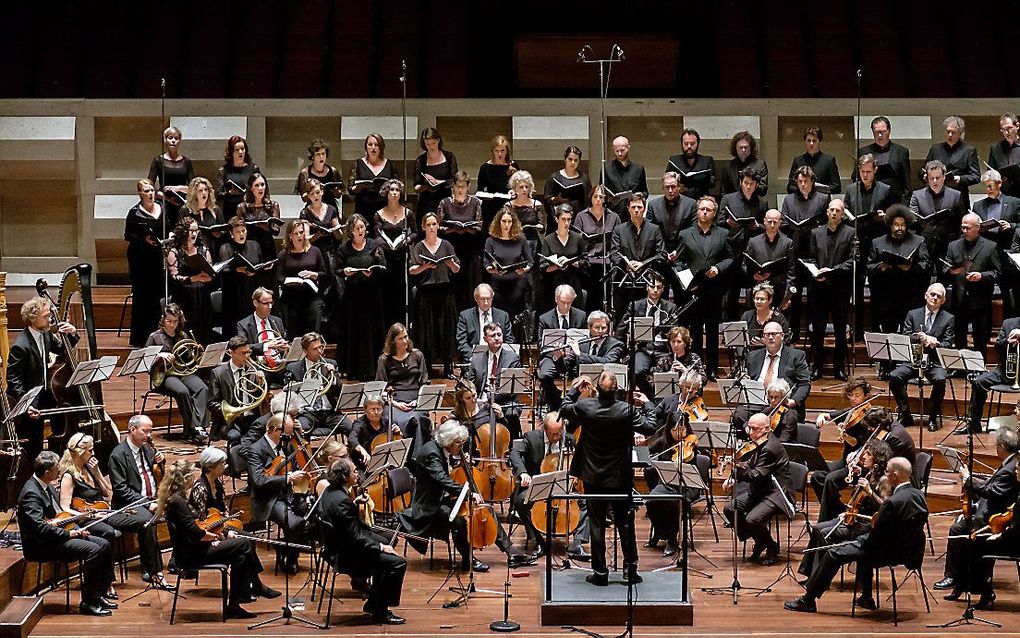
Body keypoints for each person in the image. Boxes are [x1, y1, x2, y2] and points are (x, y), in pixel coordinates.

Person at [785, 457, 927, 614]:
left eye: (887, 471)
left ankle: (808, 600)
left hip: (885, 553)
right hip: (907, 551)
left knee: (834, 553)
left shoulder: (891, 503)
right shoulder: (918, 495)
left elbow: (875, 538)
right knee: (858, 547)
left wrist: (858, 540)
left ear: (894, 475)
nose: (885, 474)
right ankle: (866, 597)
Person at [398, 420, 535, 572]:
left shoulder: (442, 448)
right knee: (460, 521)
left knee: (486, 510)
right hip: (429, 506)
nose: (461, 447)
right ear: (448, 441)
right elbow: (442, 479)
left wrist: (461, 463)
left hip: (442, 498)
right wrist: (469, 494)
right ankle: (468, 559)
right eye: (458, 443)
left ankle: (511, 552)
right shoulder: (431, 453)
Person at [560, 372, 656, 586]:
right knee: (625, 523)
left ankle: (600, 573)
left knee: (596, 525)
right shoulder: (626, 410)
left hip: (593, 476)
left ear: (598, 388)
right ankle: (630, 571)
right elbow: (650, 427)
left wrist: (575, 389)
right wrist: (648, 404)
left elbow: (565, 408)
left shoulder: (586, 407)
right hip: (619, 476)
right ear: (616, 390)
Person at [156, 459, 261, 619]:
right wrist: (215, 536)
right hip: (191, 554)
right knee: (244, 542)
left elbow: (195, 530)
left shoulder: (177, 498)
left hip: (195, 547)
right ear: (185, 478)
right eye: (192, 475)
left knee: (241, 556)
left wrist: (214, 536)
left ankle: (234, 604)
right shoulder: (178, 502)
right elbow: (195, 533)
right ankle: (254, 587)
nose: (194, 478)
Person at [58, 432, 157, 601]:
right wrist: (88, 514)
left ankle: (154, 570)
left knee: (143, 521)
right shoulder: (69, 476)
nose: (93, 453)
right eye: (90, 450)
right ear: (81, 452)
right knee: (108, 533)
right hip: (85, 518)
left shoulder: (89, 468)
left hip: (103, 512)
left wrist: (97, 473)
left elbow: (106, 493)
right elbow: (64, 507)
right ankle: (107, 581)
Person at [18, 451, 116, 616]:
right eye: (57, 468)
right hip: (42, 545)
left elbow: (60, 516)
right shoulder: (31, 494)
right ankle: (87, 603)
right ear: (47, 472)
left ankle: (97, 595)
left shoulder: (46, 485)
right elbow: (40, 528)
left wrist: (77, 529)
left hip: (58, 535)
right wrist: (70, 535)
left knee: (104, 543)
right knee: (94, 549)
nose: (60, 471)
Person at [935, 427, 1020, 602]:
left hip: (993, 519)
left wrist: (968, 479)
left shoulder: (1011, 468)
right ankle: (956, 580)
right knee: (957, 529)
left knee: (966, 538)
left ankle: (971, 585)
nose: (995, 447)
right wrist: (969, 478)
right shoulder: (1009, 463)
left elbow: (992, 491)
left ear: (1002, 446)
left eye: (997, 444)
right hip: (987, 514)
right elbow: (989, 484)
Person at [319, 458, 407, 625]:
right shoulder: (341, 501)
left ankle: (374, 603)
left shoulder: (331, 492)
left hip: (339, 546)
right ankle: (381, 610)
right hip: (348, 555)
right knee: (397, 563)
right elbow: (354, 539)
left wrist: (353, 504)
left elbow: (343, 523)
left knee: (386, 540)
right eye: (353, 471)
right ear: (345, 476)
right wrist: (381, 547)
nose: (357, 474)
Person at [188, 447, 280, 600]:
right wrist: (224, 533)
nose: (225, 466)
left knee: (249, 539)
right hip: (208, 534)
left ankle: (250, 588)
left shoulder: (217, 484)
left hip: (221, 525)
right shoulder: (200, 488)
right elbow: (202, 520)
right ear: (210, 467)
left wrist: (227, 527)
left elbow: (223, 511)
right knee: (246, 542)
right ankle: (255, 585)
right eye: (221, 464)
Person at [798, 439, 892, 581]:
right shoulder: (869, 473)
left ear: (877, 459)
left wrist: (869, 491)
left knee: (825, 534)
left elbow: (885, 506)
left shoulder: (884, 480)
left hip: (866, 526)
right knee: (817, 529)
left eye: (868, 454)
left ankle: (820, 579)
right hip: (854, 518)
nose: (863, 456)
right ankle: (810, 573)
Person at [5, 296, 79, 460]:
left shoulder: (45, 334)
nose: (50, 319)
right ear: (32, 319)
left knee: (63, 412)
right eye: (46, 316)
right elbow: (13, 380)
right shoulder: (21, 346)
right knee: (34, 442)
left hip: (44, 392)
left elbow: (61, 349)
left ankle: (60, 455)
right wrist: (27, 406)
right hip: (28, 398)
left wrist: (72, 333)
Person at [814, 406, 916, 523]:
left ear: (878, 424)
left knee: (831, 479)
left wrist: (861, 468)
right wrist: (857, 454)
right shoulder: (886, 427)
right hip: (875, 468)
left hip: (892, 474)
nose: (869, 430)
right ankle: (837, 513)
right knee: (821, 477)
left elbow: (882, 464)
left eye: (870, 427)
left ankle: (829, 519)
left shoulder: (895, 437)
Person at [508, 412, 589, 559]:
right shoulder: (531, 438)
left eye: (559, 433)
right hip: (538, 487)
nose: (556, 437)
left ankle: (577, 544)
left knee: (588, 500)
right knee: (521, 501)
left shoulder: (569, 440)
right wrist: (523, 473)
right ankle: (539, 541)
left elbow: (582, 460)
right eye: (552, 434)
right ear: (544, 429)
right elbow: (515, 453)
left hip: (564, 488)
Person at [106, 415, 169, 588]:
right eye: (145, 431)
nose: (149, 435)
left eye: (151, 431)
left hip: (153, 499)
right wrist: (147, 503)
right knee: (146, 522)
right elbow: (121, 490)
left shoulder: (148, 449)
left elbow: (156, 474)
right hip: (128, 506)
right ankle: (154, 571)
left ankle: (180, 562)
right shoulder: (117, 455)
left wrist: (161, 461)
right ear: (132, 430)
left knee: (181, 510)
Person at [721, 413, 792, 565]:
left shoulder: (770, 448)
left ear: (767, 429)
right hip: (760, 489)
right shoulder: (759, 442)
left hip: (776, 493)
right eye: (749, 428)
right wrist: (734, 474)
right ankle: (760, 539)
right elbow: (752, 467)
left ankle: (771, 546)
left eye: (755, 429)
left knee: (753, 519)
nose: (751, 432)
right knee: (730, 509)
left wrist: (737, 472)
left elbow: (757, 475)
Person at [867, 205, 930, 373]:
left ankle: (911, 366)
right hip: (886, 295)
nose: (899, 228)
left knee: (912, 332)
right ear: (890, 224)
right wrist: (881, 267)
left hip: (911, 295)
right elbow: (869, 266)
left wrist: (911, 267)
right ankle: (887, 366)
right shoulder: (877, 242)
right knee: (889, 331)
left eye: (902, 225)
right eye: (896, 224)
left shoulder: (918, 240)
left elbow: (926, 264)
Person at [246, 412, 311, 573]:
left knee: (315, 517)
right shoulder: (255, 450)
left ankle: (283, 545)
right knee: (294, 523)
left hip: (290, 494)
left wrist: (301, 478)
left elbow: (295, 467)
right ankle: (291, 557)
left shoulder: (287, 446)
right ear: (275, 430)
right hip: (268, 498)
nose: (290, 438)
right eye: (287, 434)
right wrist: (287, 478)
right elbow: (259, 482)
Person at [676, 196, 733, 378]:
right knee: (695, 330)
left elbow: (730, 258)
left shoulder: (723, 233)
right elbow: (679, 261)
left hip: (714, 290)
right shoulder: (685, 234)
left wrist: (718, 268)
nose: (705, 212)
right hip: (694, 290)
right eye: (702, 209)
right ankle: (697, 367)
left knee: (713, 330)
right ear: (697, 211)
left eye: (708, 210)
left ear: (714, 213)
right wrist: (687, 278)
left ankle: (713, 368)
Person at [888, 283, 954, 432]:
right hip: (914, 360)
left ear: (943, 301)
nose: (935, 298)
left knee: (940, 380)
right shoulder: (913, 314)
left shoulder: (949, 318)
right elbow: (905, 336)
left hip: (935, 362)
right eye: (932, 294)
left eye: (939, 296)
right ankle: (905, 414)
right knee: (894, 377)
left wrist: (935, 343)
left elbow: (948, 344)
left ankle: (932, 417)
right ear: (926, 295)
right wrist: (919, 337)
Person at [145, 304, 209, 443]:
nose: (172, 325)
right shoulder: (155, 337)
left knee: (202, 388)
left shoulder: (182, 335)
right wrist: (160, 355)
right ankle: (191, 429)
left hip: (182, 372)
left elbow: (188, 360)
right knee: (182, 391)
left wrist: (196, 352)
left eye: (175, 321)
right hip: (164, 375)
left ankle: (198, 426)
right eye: (169, 321)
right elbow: (145, 360)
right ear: (163, 320)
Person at [806, 199, 855, 380]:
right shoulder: (815, 233)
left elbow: (852, 261)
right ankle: (817, 366)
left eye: (838, 210)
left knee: (840, 330)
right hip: (819, 289)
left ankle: (838, 368)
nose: (834, 213)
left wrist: (833, 271)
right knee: (817, 329)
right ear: (827, 212)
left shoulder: (851, 233)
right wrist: (817, 272)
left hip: (840, 289)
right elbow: (811, 258)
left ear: (843, 214)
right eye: (832, 210)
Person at [781, 166, 829, 342]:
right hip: (795, 249)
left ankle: (811, 330)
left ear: (812, 182)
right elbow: (784, 223)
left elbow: (826, 223)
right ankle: (792, 331)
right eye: (800, 182)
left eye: (806, 182)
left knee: (814, 294)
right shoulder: (789, 199)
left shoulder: (822, 198)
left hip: (815, 251)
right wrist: (794, 226)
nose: (802, 185)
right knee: (794, 292)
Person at [409, 212, 461, 376]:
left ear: (438, 226)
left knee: (445, 327)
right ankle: (428, 365)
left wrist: (451, 263)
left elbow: (457, 269)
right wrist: (424, 267)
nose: (432, 228)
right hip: (427, 291)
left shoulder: (446, 245)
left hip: (445, 290)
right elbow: (412, 270)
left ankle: (447, 365)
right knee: (427, 329)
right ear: (423, 227)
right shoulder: (419, 246)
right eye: (428, 225)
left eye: (434, 224)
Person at [335, 214, 386, 380]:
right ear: (350, 231)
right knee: (354, 330)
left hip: (371, 296)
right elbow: (336, 269)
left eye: (362, 227)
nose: (360, 231)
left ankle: (372, 370)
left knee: (371, 331)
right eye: (356, 228)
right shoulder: (344, 248)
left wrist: (374, 271)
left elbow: (383, 267)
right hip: (353, 297)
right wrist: (345, 272)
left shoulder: (374, 245)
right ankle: (353, 369)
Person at [942, 213, 1000, 354]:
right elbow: (945, 268)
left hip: (980, 298)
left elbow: (997, 272)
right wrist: (951, 272)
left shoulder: (991, 246)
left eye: (968, 228)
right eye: (963, 228)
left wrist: (982, 275)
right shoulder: (953, 245)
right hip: (959, 297)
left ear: (978, 228)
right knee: (959, 334)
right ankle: (960, 366)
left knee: (981, 335)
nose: (964, 231)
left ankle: (979, 365)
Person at [613, 275, 676, 397]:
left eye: (658, 287)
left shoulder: (670, 308)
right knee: (636, 371)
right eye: (652, 287)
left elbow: (674, 332)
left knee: (666, 374)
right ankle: (648, 396)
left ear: (663, 289)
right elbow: (621, 328)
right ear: (647, 287)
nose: (655, 290)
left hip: (663, 349)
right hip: (643, 349)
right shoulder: (636, 305)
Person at [738, 321, 811, 422]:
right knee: (739, 415)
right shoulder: (753, 356)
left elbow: (804, 384)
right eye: (767, 335)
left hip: (782, 404)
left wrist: (793, 401)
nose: (771, 337)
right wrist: (745, 380)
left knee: (783, 419)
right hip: (757, 403)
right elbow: (749, 378)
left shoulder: (796, 356)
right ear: (763, 338)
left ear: (781, 336)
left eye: (774, 334)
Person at [719, 167, 767, 318]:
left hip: (753, 252)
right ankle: (729, 325)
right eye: (745, 183)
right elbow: (719, 222)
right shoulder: (728, 198)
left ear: (756, 185)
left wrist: (758, 226)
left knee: (753, 290)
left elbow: (768, 225)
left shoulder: (761, 202)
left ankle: (752, 323)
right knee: (731, 291)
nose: (748, 186)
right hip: (732, 249)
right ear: (740, 182)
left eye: (751, 184)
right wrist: (728, 222)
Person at [124, 178, 167, 346]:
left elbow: (168, 230)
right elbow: (128, 235)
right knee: (143, 298)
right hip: (140, 260)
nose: (150, 193)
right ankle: (140, 338)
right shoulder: (134, 213)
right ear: (139, 194)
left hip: (157, 258)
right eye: (146, 191)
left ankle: (157, 336)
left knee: (157, 297)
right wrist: (144, 238)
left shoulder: (162, 210)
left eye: (152, 190)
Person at [374, 323, 433, 447]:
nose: (405, 341)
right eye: (400, 338)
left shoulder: (417, 355)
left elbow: (424, 382)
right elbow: (380, 388)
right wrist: (395, 404)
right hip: (394, 401)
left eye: (406, 336)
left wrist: (418, 400)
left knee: (418, 419)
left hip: (415, 400)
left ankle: (417, 457)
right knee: (401, 420)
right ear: (393, 341)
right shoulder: (384, 360)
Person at [462, 323, 523, 439]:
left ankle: (510, 446)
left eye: (499, 334)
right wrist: (477, 399)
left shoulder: (513, 358)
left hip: (506, 402)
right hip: (480, 401)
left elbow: (511, 390)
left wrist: (489, 400)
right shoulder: (477, 360)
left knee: (511, 414)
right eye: (493, 335)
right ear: (485, 339)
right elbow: (470, 385)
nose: (497, 338)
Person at [283, 332, 348, 438]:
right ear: (305, 351)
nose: (319, 351)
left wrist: (333, 378)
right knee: (298, 430)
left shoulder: (331, 364)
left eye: (320, 347)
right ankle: (307, 455)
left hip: (329, 412)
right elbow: (289, 396)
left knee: (351, 427)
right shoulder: (293, 368)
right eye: (315, 349)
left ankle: (359, 454)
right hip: (307, 413)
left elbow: (339, 392)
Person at [373, 178, 417, 329]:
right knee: (386, 293)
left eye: (397, 190)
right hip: (385, 259)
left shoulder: (408, 213)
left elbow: (415, 233)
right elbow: (377, 236)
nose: (394, 193)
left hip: (402, 257)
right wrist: (386, 245)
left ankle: (402, 328)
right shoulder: (379, 214)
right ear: (386, 192)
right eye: (391, 190)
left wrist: (406, 241)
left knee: (402, 293)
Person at [964, 316, 1020, 435]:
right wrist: (1008, 341)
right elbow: (997, 347)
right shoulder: (1009, 323)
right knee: (979, 381)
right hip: (1004, 371)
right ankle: (974, 424)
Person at [976, 169, 1020, 317]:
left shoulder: (1014, 202)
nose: (987, 190)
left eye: (990, 186)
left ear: (1000, 183)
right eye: (986, 186)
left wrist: (1011, 225)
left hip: (1006, 253)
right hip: (986, 254)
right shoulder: (978, 205)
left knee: (1008, 293)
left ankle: (1008, 328)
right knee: (984, 295)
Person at [164, 215, 215, 343]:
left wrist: (209, 276)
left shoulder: (203, 249)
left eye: (196, 230)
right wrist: (194, 278)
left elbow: (211, 271)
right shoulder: (174, 251)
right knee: (185, 330)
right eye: (191, 230)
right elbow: (174, 277)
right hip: (184, 297)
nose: (194, 234)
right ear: (183, 232)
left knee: (203, 330)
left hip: (201, 297)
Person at [611, 194, 667, 310]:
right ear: (628, 209)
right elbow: (614, 254)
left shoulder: (654, 229)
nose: (636, 210)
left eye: (639, 207)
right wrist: (627, 264)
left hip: (647, 280)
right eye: (633, 207)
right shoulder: (619, 230)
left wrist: (643, 264)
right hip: (624, 280)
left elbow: (662, 255)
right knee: (621, 317)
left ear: (644, 209)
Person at [437, 171, 484, 309]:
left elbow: (479, 226)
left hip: (470, 247)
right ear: (453, 186)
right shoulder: (444, 202)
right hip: (452, 246)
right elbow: (438, 226)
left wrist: (466, 228)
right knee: (453, 284)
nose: (460, 190)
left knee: (470, 284)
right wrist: (453, 228)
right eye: (457, 186)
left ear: (468, 186)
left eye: (463, 186)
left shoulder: (475, 202)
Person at [573, 185, 622, 312]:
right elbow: (575, 240)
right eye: (595, 196)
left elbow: (618, 241)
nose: (598, 200)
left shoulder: (614, 217)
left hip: (606, 262)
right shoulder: (581, 216)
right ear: (591, 198)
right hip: (587, 263)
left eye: (601, 197)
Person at [909, 159, 966, 262]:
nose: (935, 181)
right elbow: (912, 220)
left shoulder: (956, 195)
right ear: (927, 178)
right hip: (924, 245)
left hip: (948, 245)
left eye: (938, 177)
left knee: (946, 277)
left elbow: (961, 222)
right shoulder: (917, 195)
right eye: (931, 178)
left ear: (944, 177)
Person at [483, 208, 534, 323]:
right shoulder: (491, 241)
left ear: (513, 222)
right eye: (503, 221)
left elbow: (530, 261)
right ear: (498, 222)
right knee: (499, 317)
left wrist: (525, 269)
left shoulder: (521, 239)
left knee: (515, 316)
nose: (506, 225)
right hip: (498, 285)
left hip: (516, 285)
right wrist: (492, 269)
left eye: (509, 222)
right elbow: (486, 262)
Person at [208, 336, 261, 444]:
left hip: (251, 418)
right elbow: (211, 403)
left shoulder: (254, 369)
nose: (247, 356)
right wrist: (231, 411)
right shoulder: (218, 373)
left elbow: (259, 397)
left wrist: (260, 382)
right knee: (235, 436)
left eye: (248, 352)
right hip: (230, 422)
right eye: (243, 353)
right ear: (231, 353)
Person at [537, 204, 588, 314]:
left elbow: (585, 261)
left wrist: (572, 262)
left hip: (573, 282)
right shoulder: (548, 239)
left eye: (569, 220)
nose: (566, 223)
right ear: (556, 219)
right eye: (563, 219)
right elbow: (542, 266)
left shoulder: (577, 238)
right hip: (554, 283)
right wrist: (556, 265)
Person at [218, 216, 264, 336]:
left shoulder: (254, 245)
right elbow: (223, 271)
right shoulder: (226, 248)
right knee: (234, 326)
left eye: (243, 231)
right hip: (233, 293)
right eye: (238, 232)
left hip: (251, 289)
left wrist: (257, 270)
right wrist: (237, 270)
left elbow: (260, 264)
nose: (241, 234)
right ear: (231, 234)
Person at [743, 209, 796, 309]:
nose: (772, 225)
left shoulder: (788, 243)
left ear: (780, 223)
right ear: (764, 221)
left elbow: (791, 271)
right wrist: (754, 276)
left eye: (775, 222)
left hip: (779, 290)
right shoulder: (753, 241)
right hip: (758, 290)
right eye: (769, 221)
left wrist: (788, 296)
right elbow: (745, 265)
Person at [852, 116, 912, 203]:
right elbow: (855, 177)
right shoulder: (863, 152)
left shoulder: (901, 152)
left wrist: (904, 205)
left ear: (889, 130)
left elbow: (906, 182)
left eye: (883, 132)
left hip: (894, 201)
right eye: (876, 132)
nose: (880, 135)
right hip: (869, 200)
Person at [236, 172, 282, 285]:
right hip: (250, 249)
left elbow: (276, 231)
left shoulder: (273, 205)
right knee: (252, 283)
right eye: (257, 185)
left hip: (267, 247)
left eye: (262, 184)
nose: (260, 188)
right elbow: (239, 229)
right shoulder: (242, 207)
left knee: (268, 282)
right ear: (251, 188)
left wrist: (266, 226)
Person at [147, 125, 195, 229]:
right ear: (165, 140)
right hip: (164, 202)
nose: (173, 141)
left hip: (183, 203)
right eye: (170, 138)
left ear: (179, 141)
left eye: (176, 138)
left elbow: (193, 186)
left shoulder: (186, 162)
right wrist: (168, 199)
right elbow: (149, 185)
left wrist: (177, 188)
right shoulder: (158, 161)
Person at [455, 283, 515, 363]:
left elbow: (509, 340)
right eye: (483, 299)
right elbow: (461, 342)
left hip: (498, 359)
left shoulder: (503, 315)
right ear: (476, 299)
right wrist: (473, 357)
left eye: (488, 299)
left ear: (492, 298)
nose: (486, 302)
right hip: (473, 359)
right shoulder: (465, 316)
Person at [923, 116, 980, 194]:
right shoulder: (935, 149)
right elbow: (923, 170)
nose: (950, 135)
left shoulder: (969, 150)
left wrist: (960, 178)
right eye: (948, 132)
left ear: (960, 134)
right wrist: (924, 175)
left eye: (953, 132)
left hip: (958, 193)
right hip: (936, 194)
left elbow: (976, 176)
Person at [236, 287, 288, 367]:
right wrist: (267, 345)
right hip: (257, 365)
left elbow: (284, 340)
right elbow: (243, 347)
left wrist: (285, 346)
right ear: (256, 303)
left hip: (279, 363)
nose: (270, 306)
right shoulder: (243, 325)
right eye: (266, 303)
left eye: (271, 302)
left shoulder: (277, 321)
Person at [413, 127, 458, 220]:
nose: (431, 147)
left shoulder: (449, 157)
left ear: (438, 140)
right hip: (426, 202)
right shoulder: (420, 160)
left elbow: (455, 180)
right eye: (427, 144)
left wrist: (438, 181)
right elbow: (416, 186)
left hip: (445, 199)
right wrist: (425, 185)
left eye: (433, 143)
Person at [476, 134, 519, 229]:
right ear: (492, 151)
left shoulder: (513, 165)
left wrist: (514, 192)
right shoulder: (485, 167)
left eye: (503, 150)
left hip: (509, 206)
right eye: (497, 151)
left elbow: (519, 186)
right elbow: (480, 191)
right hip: (491, 207)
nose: (500, 154)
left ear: (507, 151)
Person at [348, 133, 396, 218]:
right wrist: (359, 187)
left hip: (384, 207)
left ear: (381, 147)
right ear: (366, 147)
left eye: (376, 145)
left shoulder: (390, 165)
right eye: (370, 144)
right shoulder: (358, 164)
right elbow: (350, 189)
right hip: (364, 208)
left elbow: (397, 186)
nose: (373, 148)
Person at [347, 395, 399, 471]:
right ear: (365, 410)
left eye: (379, 409)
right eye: (372, 409)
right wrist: (363, 451)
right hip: (364, 464)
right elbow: (351, 439)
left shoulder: (388, 422)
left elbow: (398, 442)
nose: (376, 412)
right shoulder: (359, 424)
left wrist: (399, 433)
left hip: (385, 462)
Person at [543, 145, 591, 226]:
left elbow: (588, 200)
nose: (573, 162)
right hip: (558, 219)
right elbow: (546, 199)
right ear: (565, 159)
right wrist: (556, 199)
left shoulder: (584, 179)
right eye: (570, 159)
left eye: (576, 160)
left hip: (577, 219)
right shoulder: (554, 178)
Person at [216, 135, 260, 221]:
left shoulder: (253, 168)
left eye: (243, 149)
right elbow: (218, 194)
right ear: (231, 152)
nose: (241, 152)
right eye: (237, 150)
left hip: (249, 210)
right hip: (231, 212)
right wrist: (229, 193)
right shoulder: (224, 170)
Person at [602, 136, 649, 216]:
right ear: (613, 148)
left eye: (622, 150)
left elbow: (645, 191)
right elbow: (602, 190)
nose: (619, 153)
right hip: (613, 213)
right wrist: (608, 198)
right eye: (617, 151)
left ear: (628, 147)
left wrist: (640, 195)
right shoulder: (606, 167)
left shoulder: (639, 168)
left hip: (633, 213)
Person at [786, 127, 841, 195]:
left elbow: (837, 187)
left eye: (814, 141)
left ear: (819, 141)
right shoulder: (797, 161)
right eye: (809, 140)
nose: (811, 143)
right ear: (805, 141)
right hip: (801, 202)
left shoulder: (829, 161)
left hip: (822, 201)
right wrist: (804, 189)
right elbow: (790, 187)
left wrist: (814, 189)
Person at [295, 138, 344, 211]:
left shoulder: (333, 171)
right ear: (312, 156)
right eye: (318, 154)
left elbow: (339, 194)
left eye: (323, 154)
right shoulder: (305, 173)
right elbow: (304, 198)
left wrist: (336, 191)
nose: (321, 157)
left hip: (330, 208)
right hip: (312, 208)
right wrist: (315, 190)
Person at [665, 128, 715, 199]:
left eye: (692, 144)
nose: (689, 146)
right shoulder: (674, 161)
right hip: (680, 200)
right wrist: (677, 186)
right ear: (682, 144)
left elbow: (712, 182)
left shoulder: (707, 160)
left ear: (698, 143)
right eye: (686, 143)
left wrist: (698, 181)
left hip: (700, 200)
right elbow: (666, 180)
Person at [299, 178, 343, 257]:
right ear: (308, 196)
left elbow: (339, 237)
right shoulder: (304, 213)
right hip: (313, 252)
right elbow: (306, 239)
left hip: (330, 251)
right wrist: (318, 234)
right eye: (312, 194)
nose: (315, 196)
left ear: (322, 192)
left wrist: (336, 229)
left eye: (317, 192)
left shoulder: (331, 209)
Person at [739, 283, 792, 350]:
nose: (758, 301)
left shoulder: (779, 318)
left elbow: (786, 342)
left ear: (770, 300)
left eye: (762, 299)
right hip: (751, 355)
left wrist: (767, 343)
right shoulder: (747, 315)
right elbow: (741, 340)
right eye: (757, 299)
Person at [183, 176, 225, 252]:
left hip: (213, 248)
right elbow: (180, 232)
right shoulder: (186, 210)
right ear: (194, 193)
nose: (204, 192)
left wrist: (220, 234)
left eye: (206, 190)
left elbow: (223, 229)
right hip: (193, 250)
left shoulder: (215, 209)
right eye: (200, 190)